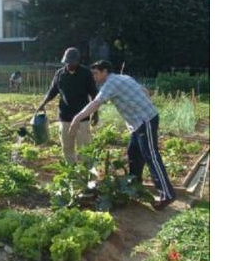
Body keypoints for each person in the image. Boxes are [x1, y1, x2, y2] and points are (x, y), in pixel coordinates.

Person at [69, 60, 176, 210]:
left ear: (105, 71)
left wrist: (77, 118)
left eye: (96, 73)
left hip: (145, 120)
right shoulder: (124, 77)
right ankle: (135, 188)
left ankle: (167, 194)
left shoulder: (110, 84)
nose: (94, 77)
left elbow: (96, 103)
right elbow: (144, 90)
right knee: (133, 153)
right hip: (140, 122)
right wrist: (144, 104)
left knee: (151, 156)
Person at [35, 48, 98, 164]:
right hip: (65, 116)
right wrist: (42, 104)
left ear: (78, 61)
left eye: (72, 62)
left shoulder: (86, 73)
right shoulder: (60, 74)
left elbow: (94, 93)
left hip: (82, 117)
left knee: (84, 147)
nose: (69, 65)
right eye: (67, 62)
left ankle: (87, 173)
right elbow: (52, 91)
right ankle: (72, 171)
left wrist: (95, 113)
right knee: (67, 147)